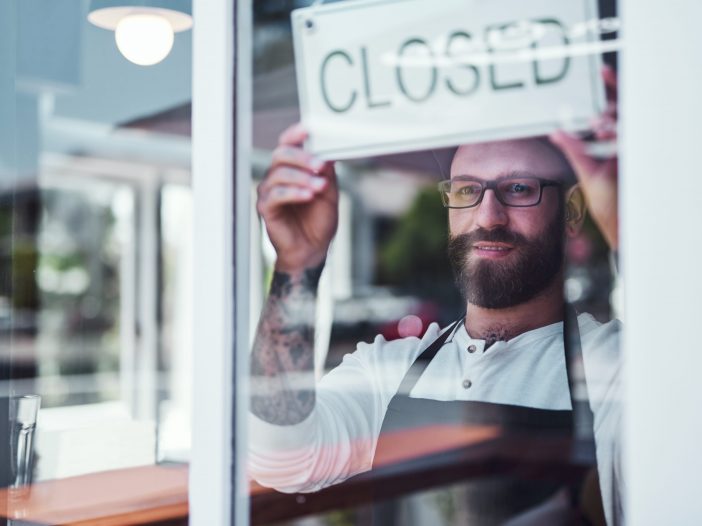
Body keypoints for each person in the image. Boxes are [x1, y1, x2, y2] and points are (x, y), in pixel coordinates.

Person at [249, 68, 621, 525]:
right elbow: (280, 462)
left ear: (574, 211)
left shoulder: (613, 369)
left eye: (518, 188)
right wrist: (298, 265)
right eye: (467, 190)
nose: (488, 215)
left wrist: (627, 225)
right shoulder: (389, 370)